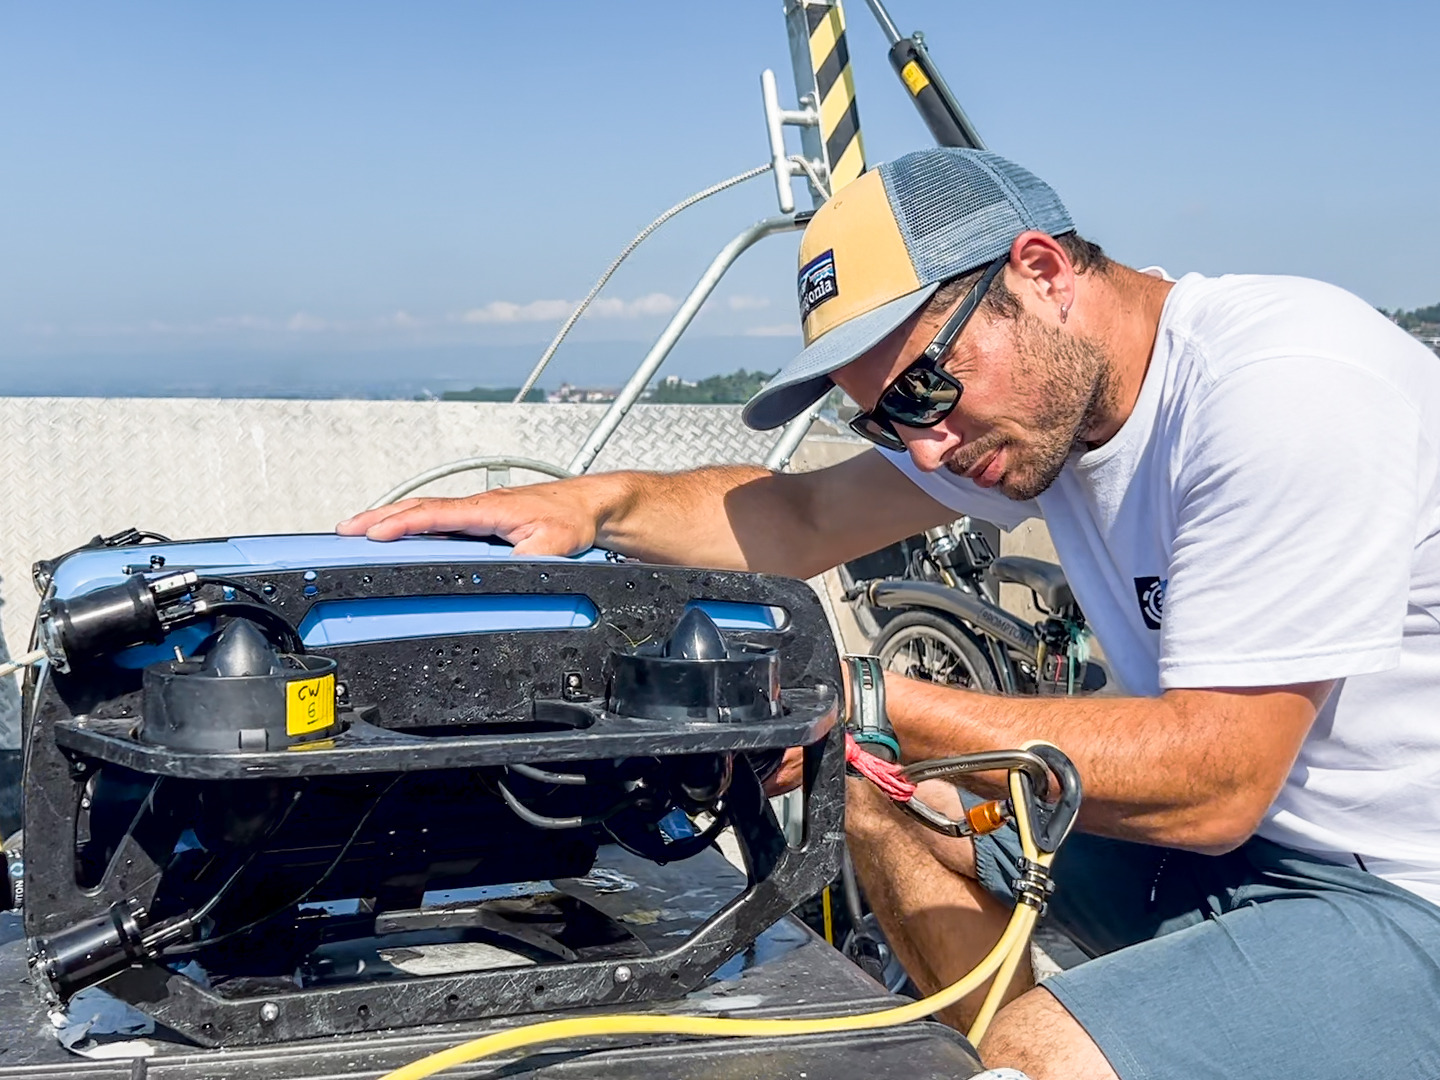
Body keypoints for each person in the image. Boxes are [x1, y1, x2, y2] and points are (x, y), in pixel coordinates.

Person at [339, 148, 1440, 1079]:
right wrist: (592, 506)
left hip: (1406, 887)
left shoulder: (1286, 388)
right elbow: (805, 511)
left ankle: (1052, 1056)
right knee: (882, 809)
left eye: (922, 390)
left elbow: (1216, 780)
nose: (922, 448)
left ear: (1043, 271)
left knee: (1043, 1031)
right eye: (883, 423)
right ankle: (1017, 1049)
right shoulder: (1032, 407)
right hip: (1262, 855)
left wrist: (863, 698)